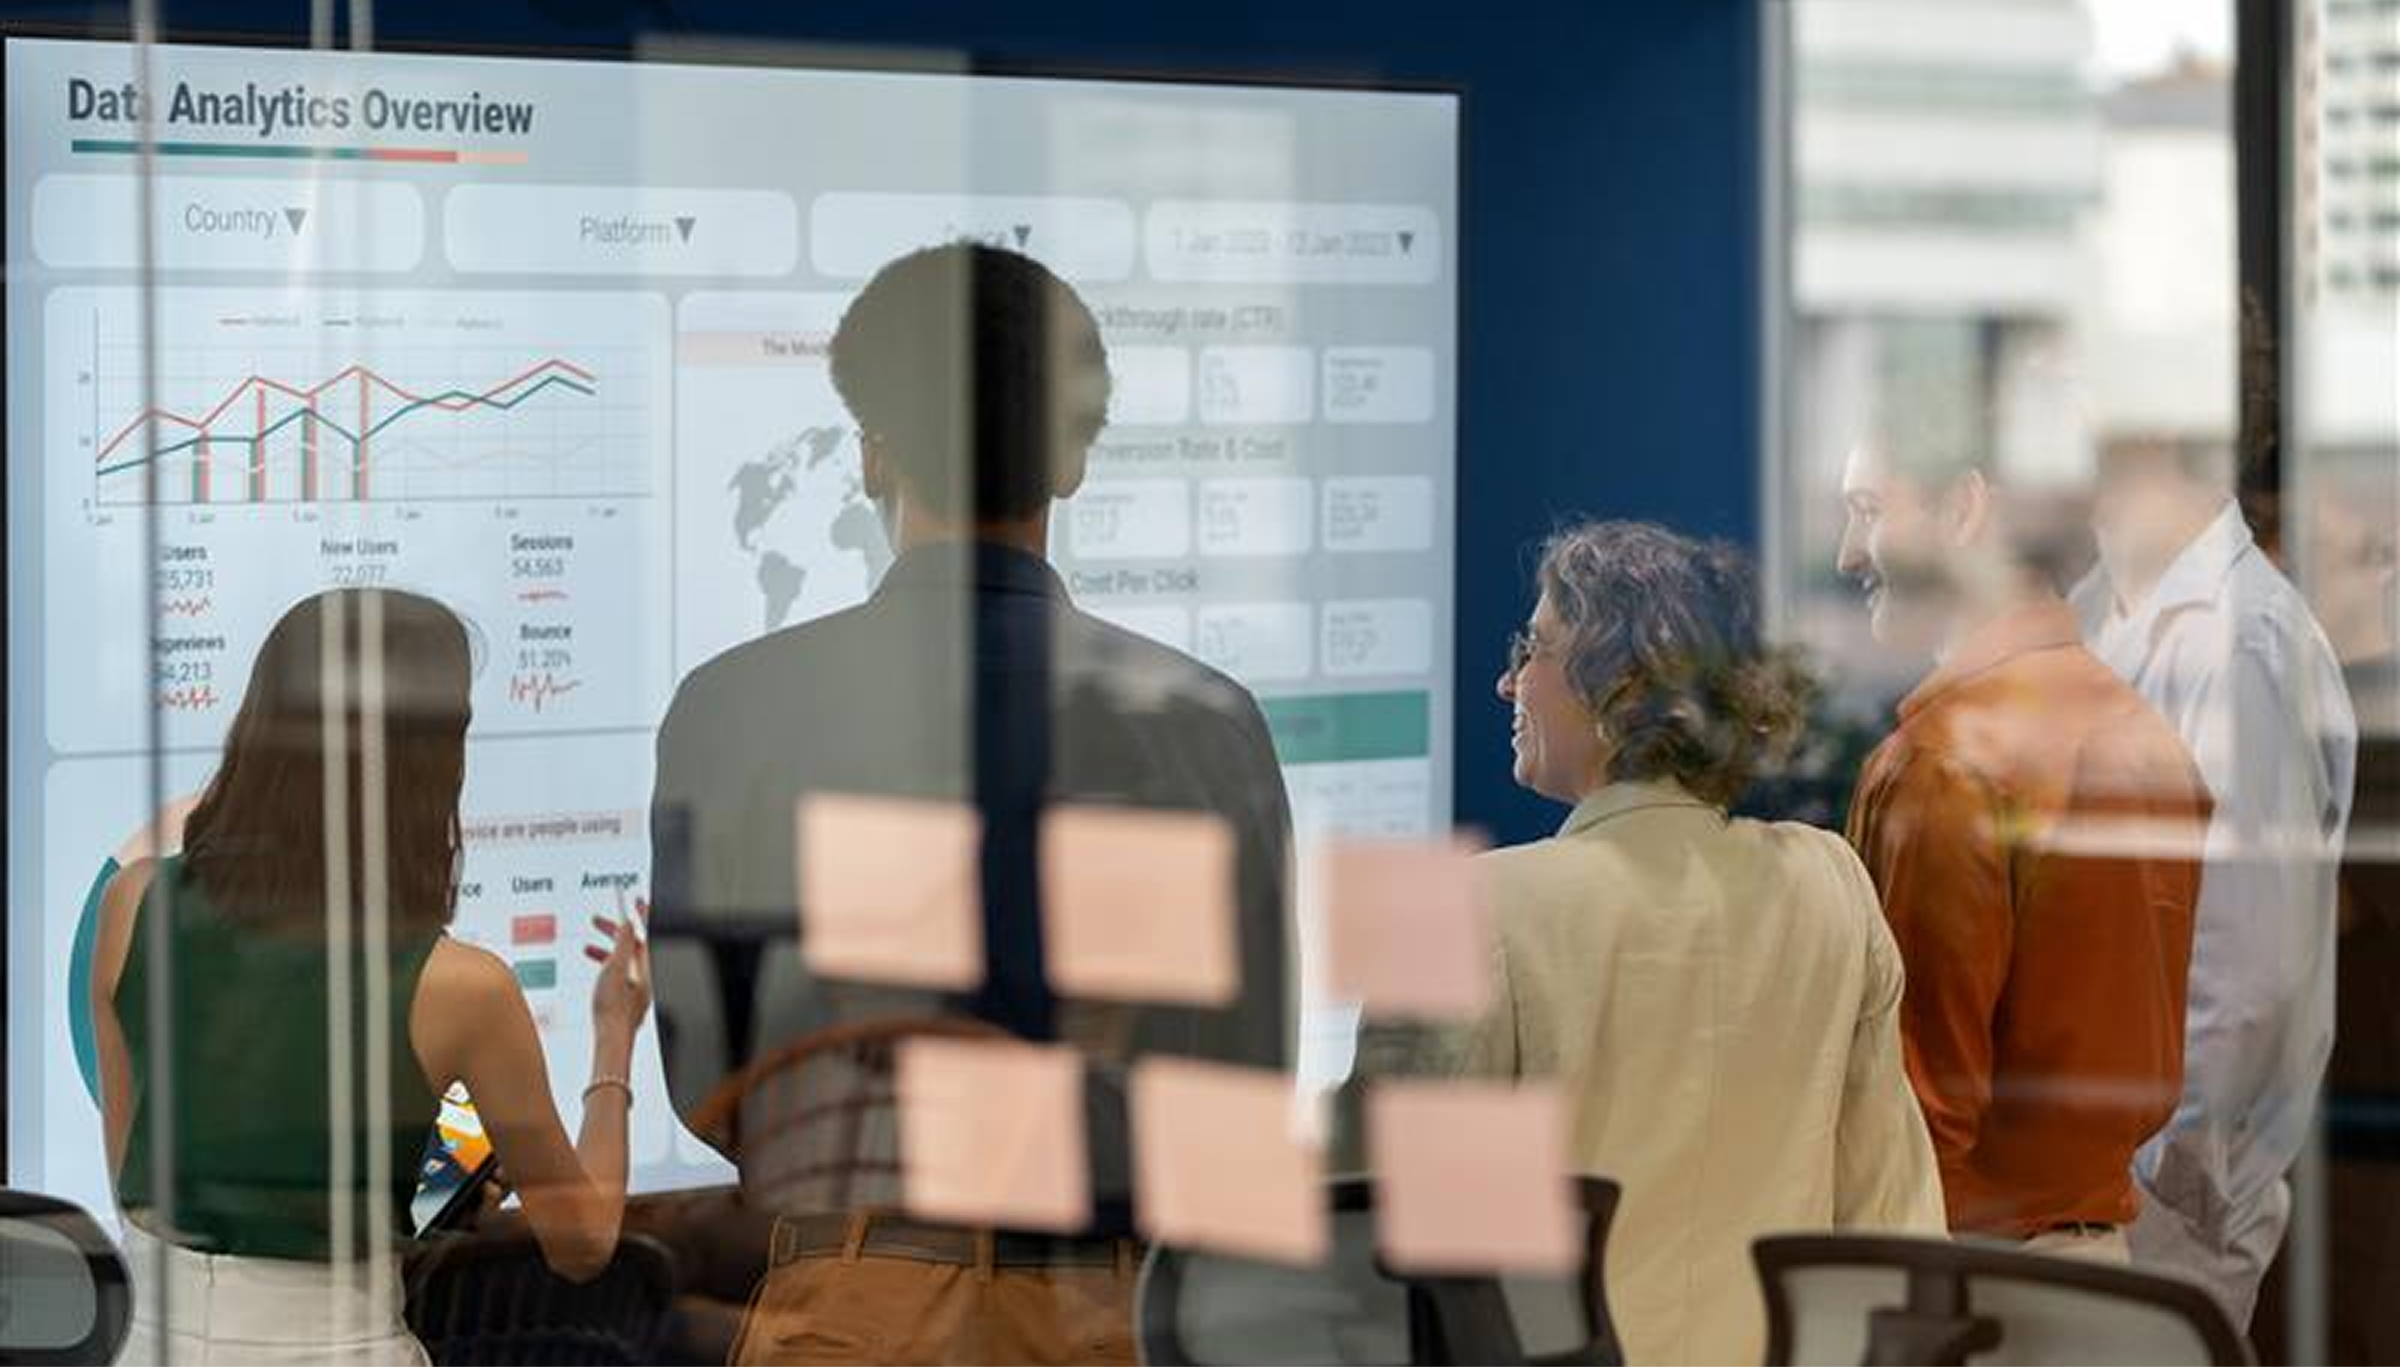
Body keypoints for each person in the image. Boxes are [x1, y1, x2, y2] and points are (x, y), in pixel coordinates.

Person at [647, 244, 1293, 1367]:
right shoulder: (1207, 720)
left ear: (870, 456)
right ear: (1071, 463)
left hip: (850, 1302)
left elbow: (710, 1086)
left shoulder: (731, 708)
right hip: (1110, 1312)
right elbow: (1248, 1086)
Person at [1425, 521, 1945, 1367]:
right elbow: (1895, 1219)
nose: (1505, 681)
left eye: (1535, 647)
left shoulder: (1477, 908)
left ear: (1620, 684)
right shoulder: (1830, 884)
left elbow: (1378, 1236)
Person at [91, 588, 653, 1364]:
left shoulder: (132, 903)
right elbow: (582, 1240)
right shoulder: (463, 987)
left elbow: (139, 1178)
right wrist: (614, 1041)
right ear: (429, 767)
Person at [1836, 414, 2209, 1260]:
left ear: (1965, 505)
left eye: (1866, 508)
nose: (1847, 555)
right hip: (2105, 1265)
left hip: (1966, 1274)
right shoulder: (2146, 734)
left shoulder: (1945, 761)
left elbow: (1916, 1110)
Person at [2073, 439, 2358, 1324]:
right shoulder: (2096, 612)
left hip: (2156, 1214)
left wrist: (2161, 1179)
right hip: (2090, 1196)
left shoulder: (2243, 645)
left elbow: (2247, 980)